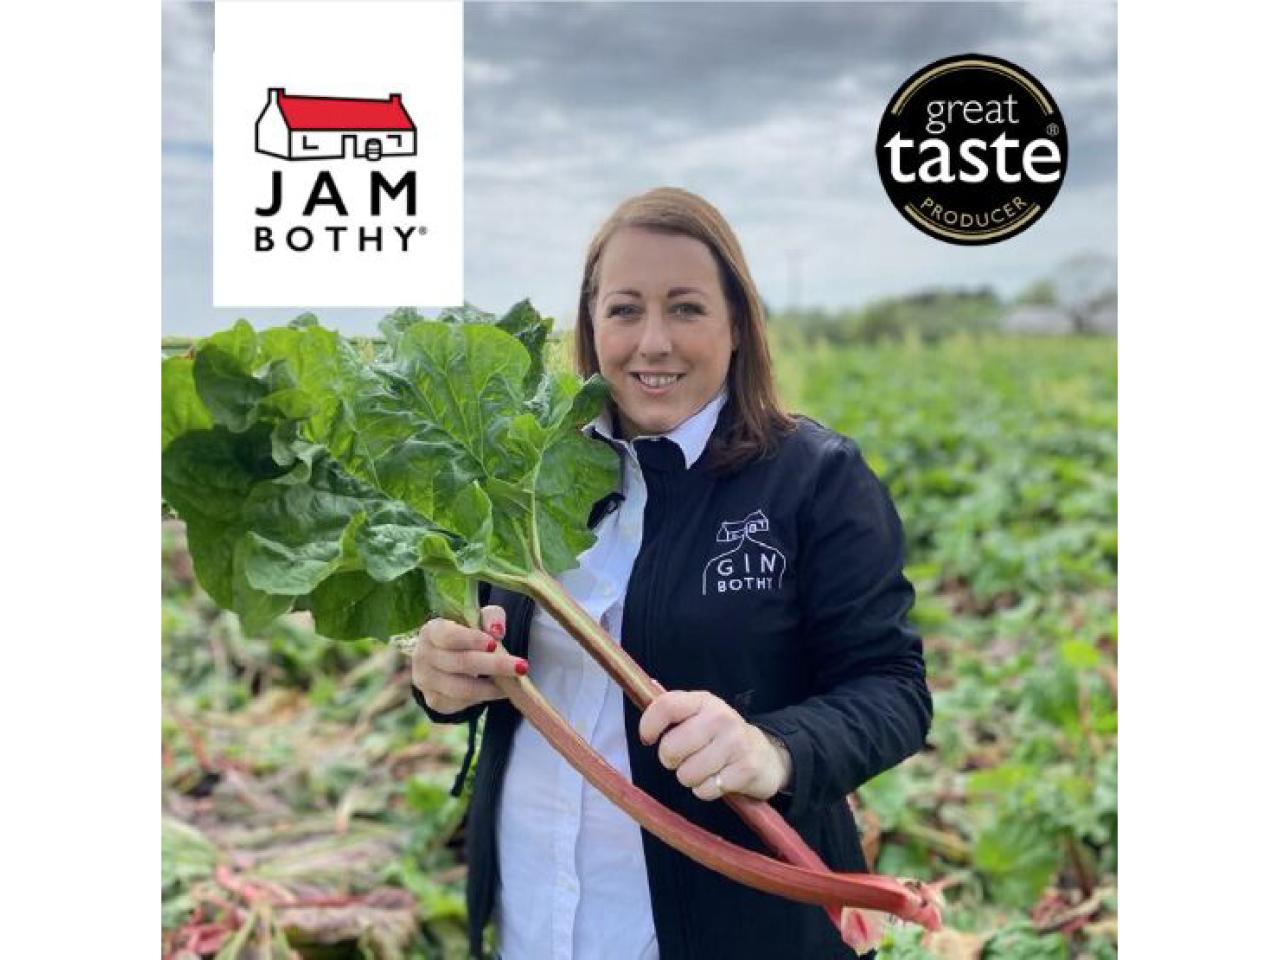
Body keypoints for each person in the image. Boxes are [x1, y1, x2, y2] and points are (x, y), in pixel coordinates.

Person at [410, 187, 932, 960]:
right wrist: (439, 679)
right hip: (531, 911)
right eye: (624, 310)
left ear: (736, 327)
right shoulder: (520, 470)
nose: (652, 342)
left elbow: (893, 689)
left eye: (686, 308)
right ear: (590, 325)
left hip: (729, 929)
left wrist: (772, 749)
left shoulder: (814, 480)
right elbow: (481, 648)